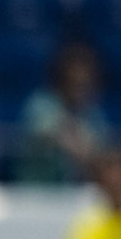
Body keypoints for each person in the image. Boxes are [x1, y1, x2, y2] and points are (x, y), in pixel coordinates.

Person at [14, 42, 110, 185]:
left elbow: (100, 154)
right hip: (36, 188)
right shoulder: (41, 104)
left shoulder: (95, 114)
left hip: (78, 189)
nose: (79, 87)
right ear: (62, 78)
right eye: (74, 81)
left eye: (84, 84)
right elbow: (41, 139)